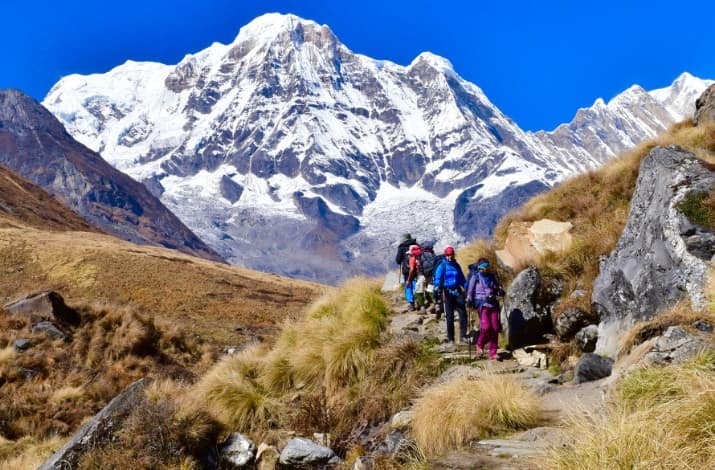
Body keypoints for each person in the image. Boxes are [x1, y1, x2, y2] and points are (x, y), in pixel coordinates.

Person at [466, 258, 504, 360]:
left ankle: (493, 353)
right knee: (486, 327)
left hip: (493, 304)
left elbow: (496, 288)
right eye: (483, 268)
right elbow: (470, 291)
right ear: (479, 268)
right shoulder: (475, 277)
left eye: (487, 267)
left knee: (495, 328)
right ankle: (480, 344)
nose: (485, 270)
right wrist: (469, 300)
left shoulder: (492, 277)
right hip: (482, 304)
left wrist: (500, 292)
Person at [433, 246, 468, 345]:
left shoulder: (457, 265)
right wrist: (438, 287)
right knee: (449, 316)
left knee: (463, 314)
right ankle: (451, 338)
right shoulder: (442, 266)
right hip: (446, 292)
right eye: (448, 255)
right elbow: (437, 279)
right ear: (445, 255)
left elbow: (462, 278)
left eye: (451, 254)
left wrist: (466, 288)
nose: (450, 256)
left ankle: (463, 336)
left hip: (457, 291)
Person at [395, 233, 418, 311]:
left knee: (408, 285)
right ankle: (418, 299)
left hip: (406, 270)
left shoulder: (401, 247)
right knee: (415, 284)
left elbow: (398, 260)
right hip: (416, 269)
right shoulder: (416, 245)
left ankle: (411, 303)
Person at [405, 244, 422, 311]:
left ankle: (412, 304)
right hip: (423, 275)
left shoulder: (412, 258)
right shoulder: (422, 256)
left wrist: (408, 280)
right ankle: (420, 304)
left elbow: (411, 269)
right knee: (418, 289)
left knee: (411, 288)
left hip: (415, 276)